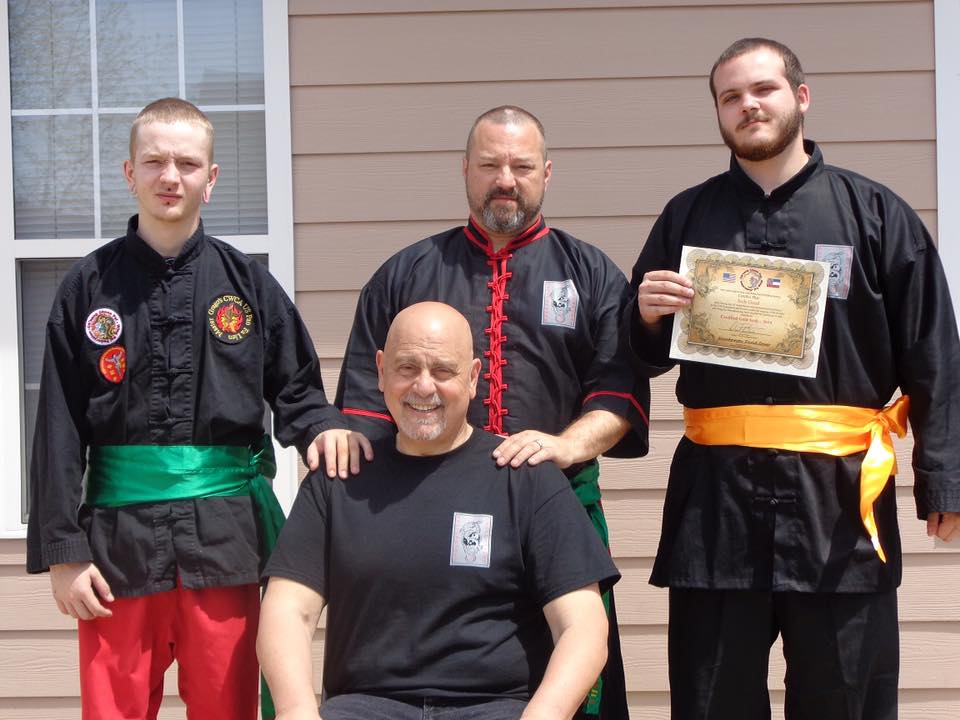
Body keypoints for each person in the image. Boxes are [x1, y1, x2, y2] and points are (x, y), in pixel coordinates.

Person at [626, 37, 960, 719]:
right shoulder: (686, 216)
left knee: (848, 702)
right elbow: (640, 353)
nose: (748, 106)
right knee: (712, 702)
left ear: (801, 98)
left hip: (839, 512)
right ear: (719, 113)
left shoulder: (877, 215)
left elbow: (935, 354)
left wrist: (945, 480)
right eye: (730, 97)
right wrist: (647, 314)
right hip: (716, 512)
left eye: (763, 90)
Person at [25, 98, 371, 720]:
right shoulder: (86, 289)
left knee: (226, 710)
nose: (170, 176)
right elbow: (58, 428)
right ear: (129, 173)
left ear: (210, 179)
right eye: (154, 161)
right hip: (115, 551)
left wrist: (323, 429)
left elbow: (298, 390)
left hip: (225, 544)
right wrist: (63, 551)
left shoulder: (249, 286)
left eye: (187, 164)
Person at [336, 106, 649, 719]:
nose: (505, 180)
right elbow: (366, 412)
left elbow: (618, 396)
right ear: (465, 170)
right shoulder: (405, 274)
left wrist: (565, 445)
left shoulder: (592, 276)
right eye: (489, 165)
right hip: (425, 516)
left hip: (558, 508)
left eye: (521, 166)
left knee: (577, 672)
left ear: (547, 173)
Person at [259, 301, 619, 720]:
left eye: (443, 371)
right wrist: (296, 710)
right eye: (407, 368)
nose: (424, 386)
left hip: (498, 709)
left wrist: (545, 715)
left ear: (473, 378)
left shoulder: (525, 477)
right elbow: (288, 611)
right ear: (380, 371)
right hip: (364, 707)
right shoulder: (338, 478)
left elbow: (583, 626)